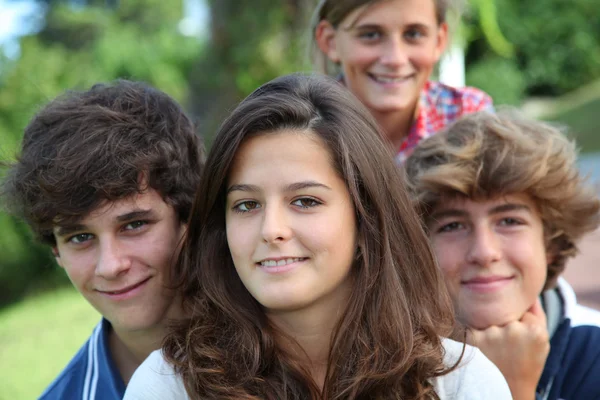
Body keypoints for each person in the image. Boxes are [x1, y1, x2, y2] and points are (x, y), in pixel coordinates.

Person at [123, 73, 511, 399]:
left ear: (366, 220)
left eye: (305, 201)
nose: (271, 230)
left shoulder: (459, 383)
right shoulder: (168, 386)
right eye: (246, 205)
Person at [1, 80, 205, 399]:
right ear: (56, 251)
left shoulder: (291, 343)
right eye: (80, 237)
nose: (110, 266)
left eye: (134, 225)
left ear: (189, 217)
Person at [404, 110, 600, 400]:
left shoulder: (592, 356)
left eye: (509, 221)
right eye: (453, 225)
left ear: (551, 243)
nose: (484, 252)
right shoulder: (389, 363)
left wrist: (513, 390)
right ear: (421, 249)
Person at [311, 0, 493, 163]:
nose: (395, 59)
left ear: (439, 41)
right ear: (330, 41)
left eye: (413, 34)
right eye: (370, 35)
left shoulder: (468, 119)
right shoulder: (303, 128)